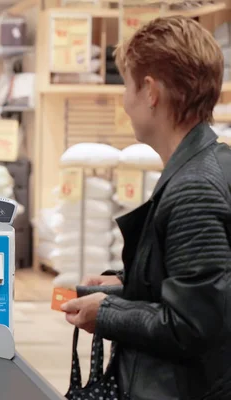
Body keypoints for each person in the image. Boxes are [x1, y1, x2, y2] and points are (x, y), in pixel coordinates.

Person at [60, 16, 231, 399]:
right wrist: (129, 283)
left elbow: (191, 325)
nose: (125, 100)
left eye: (127, 85)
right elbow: (206, 286)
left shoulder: (195, 189)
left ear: (150, 91)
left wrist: (105, 314)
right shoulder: (208, 164)